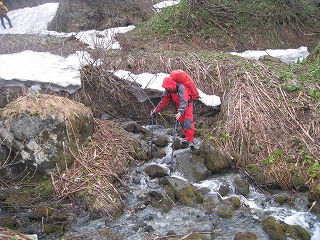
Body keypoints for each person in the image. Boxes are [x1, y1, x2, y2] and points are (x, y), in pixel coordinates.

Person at [150, 76, 195, 148]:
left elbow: (184, 101)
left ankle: (190, 140)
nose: (166, 89)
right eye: (166, 88)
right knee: (182, 122)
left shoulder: (181, 88)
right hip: (179, 106)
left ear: (171, 84)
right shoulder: (168, 91)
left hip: (187, 105)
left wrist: (180, 112)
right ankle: (187, 137)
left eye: (167, 87)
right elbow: (163, 101)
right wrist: (155, 110)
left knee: (188, 122)